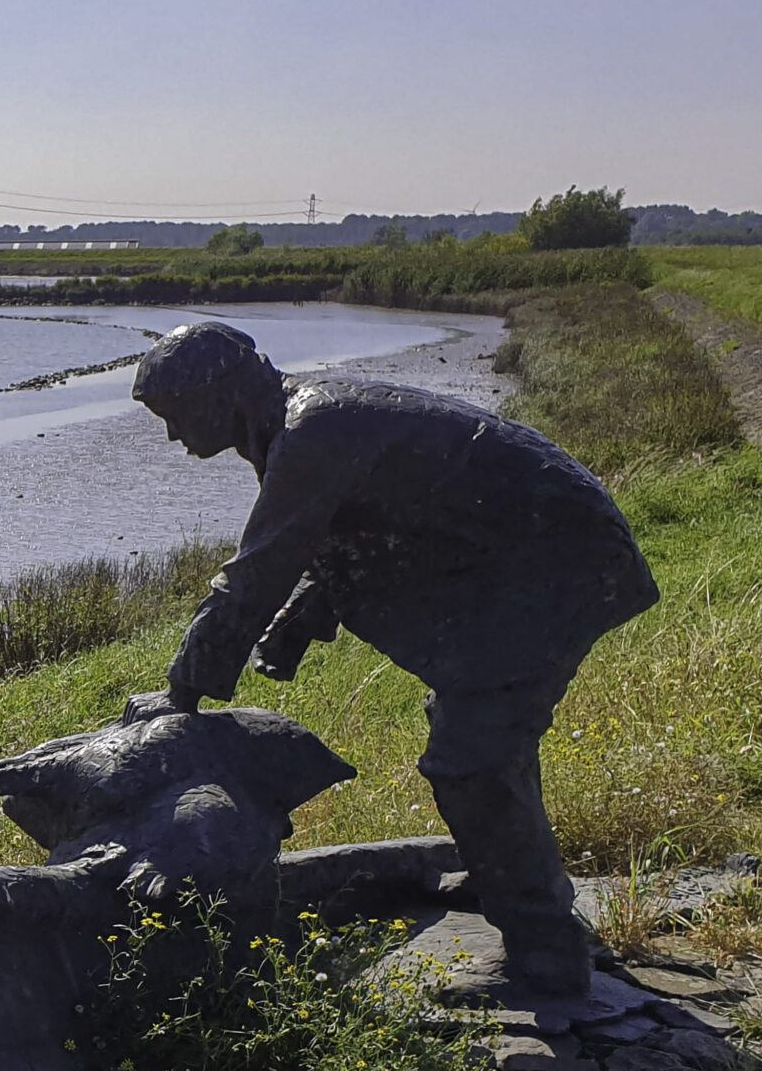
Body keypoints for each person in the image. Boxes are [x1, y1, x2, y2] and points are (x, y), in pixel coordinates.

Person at [133, 321, 658, 997]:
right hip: (528, 557)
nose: (174, 437)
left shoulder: (311, 433)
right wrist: (303, 616)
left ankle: (546, 951)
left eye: (174, 415)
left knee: (472, 757)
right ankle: (513, 872)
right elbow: (368, 518)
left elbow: (252, 576)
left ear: (217, 393)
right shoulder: (303, 423)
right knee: (474, 724)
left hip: (560, 561)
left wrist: (182, 690)